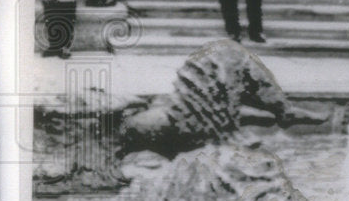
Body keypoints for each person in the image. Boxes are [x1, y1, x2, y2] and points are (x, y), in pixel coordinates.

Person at [120, 39, 325, 159]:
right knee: (230, 57)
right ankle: (283, 112)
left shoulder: (207, 92)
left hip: (194, 113)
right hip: (194, 122)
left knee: (229, 57)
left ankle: (281, 112)